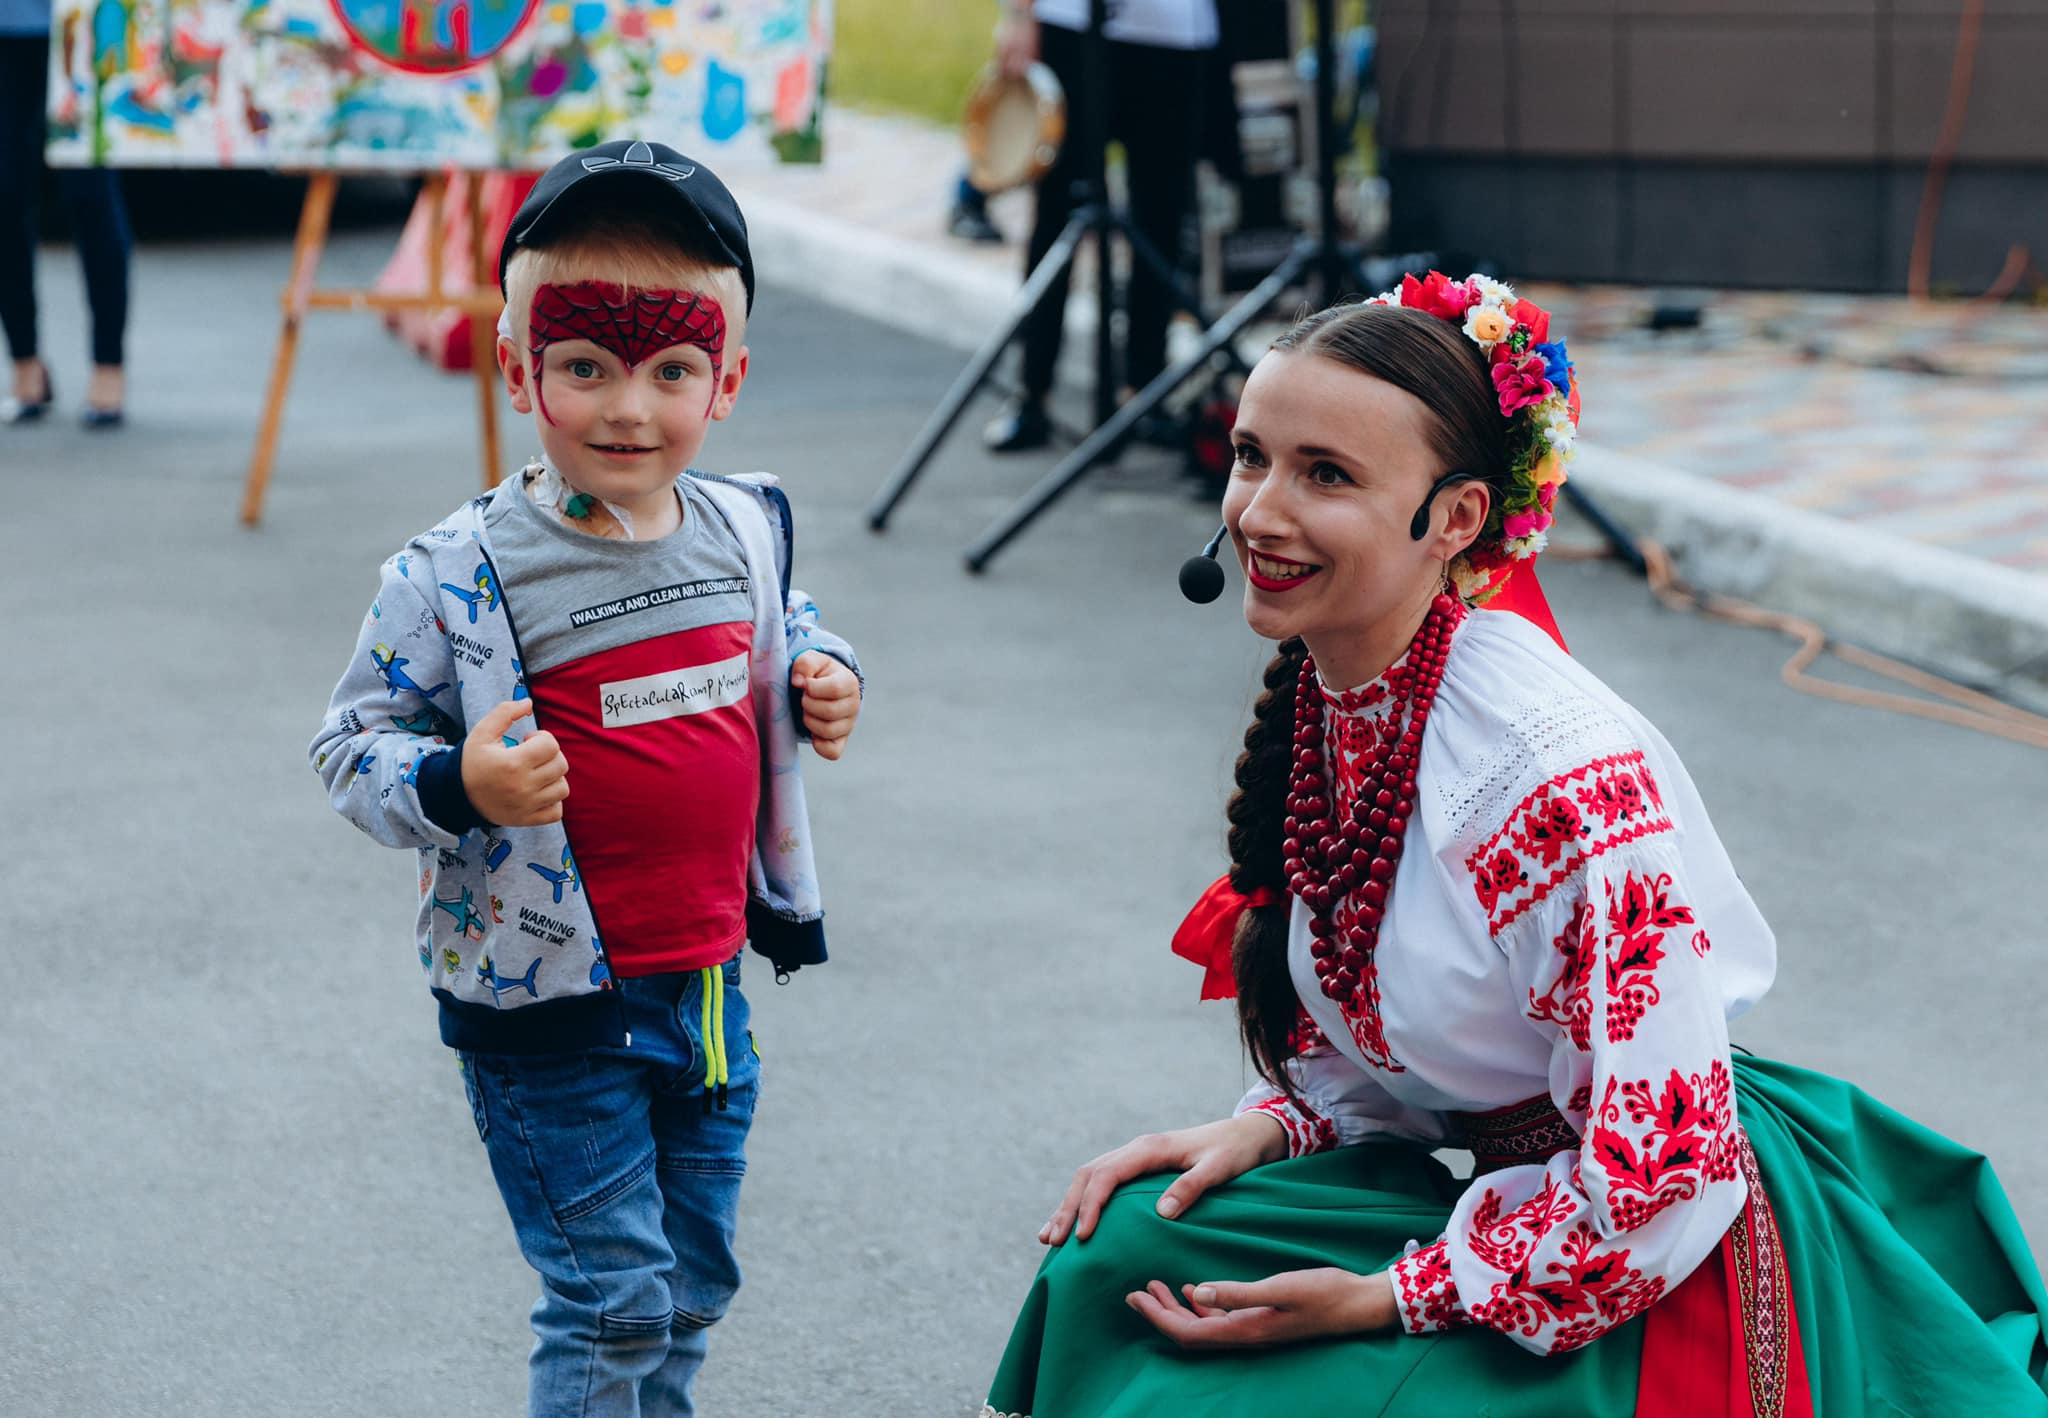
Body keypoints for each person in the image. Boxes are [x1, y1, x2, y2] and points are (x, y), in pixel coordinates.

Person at [982, 275, 2048, 1416]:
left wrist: (1382, 1296)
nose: (1260, 513)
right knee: (1116, 1252)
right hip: (1501, 1194)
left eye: (1326, 474)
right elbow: (1384, 1021)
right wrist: (1272, 1122)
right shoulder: (1334, 694)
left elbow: (1663, 1174)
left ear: (1455, 519)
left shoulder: (1551, 771)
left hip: (1633, 1236)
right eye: (1252, 456)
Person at [310, 139, 864, 1418]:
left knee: (687, 1288)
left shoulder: (741, 528)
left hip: (706, 984)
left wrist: (825, 672)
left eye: (671, 369)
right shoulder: (455, 571)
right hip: (549, 1008)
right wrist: (458, 780)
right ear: (517, 368)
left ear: (726, 380)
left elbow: (785, 625)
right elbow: (349, 745)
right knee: (611, 1295)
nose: (628, 407)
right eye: (583, 366)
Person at [982, 0, 1216, 452]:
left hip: (1171, 31)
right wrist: (1018, 14)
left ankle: (1144, 392)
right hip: (1071, 23)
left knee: (1160, 217)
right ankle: (1032, 389)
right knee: (1057, 211)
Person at [0, 0, 131, 426]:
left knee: (89, 192)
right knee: (6, 194)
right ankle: (24, 361)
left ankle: (108, 363)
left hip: (79, 18)